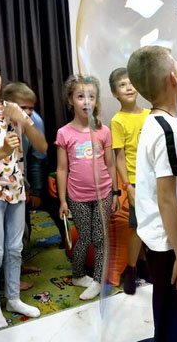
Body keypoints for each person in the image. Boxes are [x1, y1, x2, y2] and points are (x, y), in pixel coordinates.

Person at [127, 45, 177, 341]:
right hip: (173, 243)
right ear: (173, 78)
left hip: (168, 239)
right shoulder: (166, 130)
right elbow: (166, 197)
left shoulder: (160, 122)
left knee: (171, 306)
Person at [0, 51, 47, 328]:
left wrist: (25, 121)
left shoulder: (11, 108)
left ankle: (13, 299)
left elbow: (42, 147)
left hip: (17, 189)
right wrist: (2, 152)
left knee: (15, 248)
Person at [55, 74, 119, 300]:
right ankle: (78, 275)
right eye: (81, 96)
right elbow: (62, 169)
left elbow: (110, 164)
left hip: (103, 194)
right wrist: (63, 200)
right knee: (84, 237)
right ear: (70, 100)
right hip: (77, 197)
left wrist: (115, 192)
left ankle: (98, 280)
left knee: (100, 238)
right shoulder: (64, 133)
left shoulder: (104, 131)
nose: (87, 101)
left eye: (91, 96)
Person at [3, 82, 66, 249]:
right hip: (3, 179)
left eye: (31, 108)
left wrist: (35, 191)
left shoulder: (34, 121)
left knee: (42, 204)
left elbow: (36, 158)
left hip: (29, 170)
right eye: (23, 107)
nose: (28, 112)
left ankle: (66, 239)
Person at [109, 67, 150, 295]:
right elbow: (119, 157)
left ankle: (144, 264)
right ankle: (131, 270)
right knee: (136, 227)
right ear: (115, 93)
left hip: (153, 179)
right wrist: (127, 186)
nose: (128, 88)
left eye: (131, 83)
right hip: (134, 181)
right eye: (122, 85)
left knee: (150, 224)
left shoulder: (150, 114)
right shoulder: (117, 120)